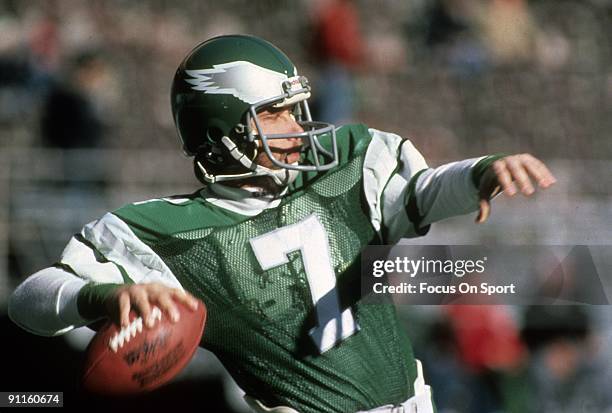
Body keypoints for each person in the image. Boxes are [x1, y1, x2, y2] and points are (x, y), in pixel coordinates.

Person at [8, 34, 555, 413]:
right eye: (275, 112)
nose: (297, 126)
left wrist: (480, 173)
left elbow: (421, 190)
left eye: (295, 109)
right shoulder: (167, 234)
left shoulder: (341, 168)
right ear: (223, 127)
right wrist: (100, 298)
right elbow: (29, 301)